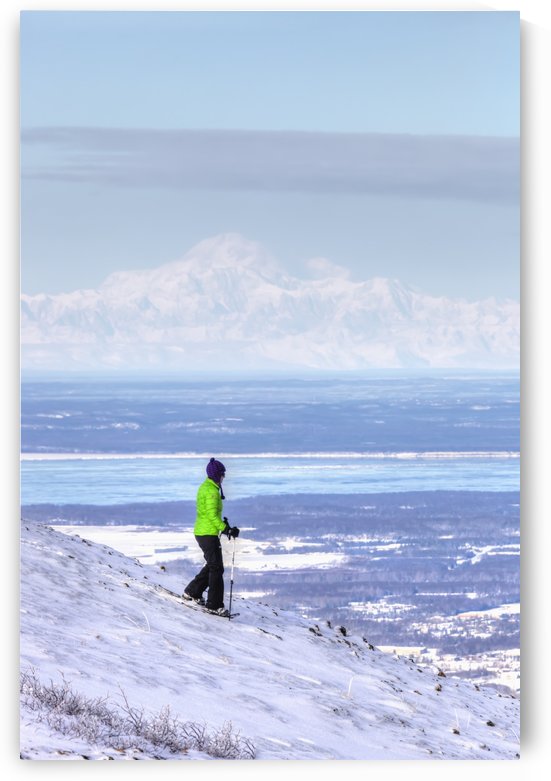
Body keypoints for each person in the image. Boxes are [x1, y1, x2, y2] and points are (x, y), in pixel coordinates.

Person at [183, 458, 239, 616]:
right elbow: (212, 516)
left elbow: (211, 516)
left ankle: (193, 591)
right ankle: (214, 604)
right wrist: (226, 529)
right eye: (222, 474)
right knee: (217, 568)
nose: (224, 477)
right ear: (216, 475)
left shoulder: (208, 487)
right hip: (207, 533)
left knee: (212, 565)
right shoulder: (212, 492)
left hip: (204, 532)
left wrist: (224, 526)